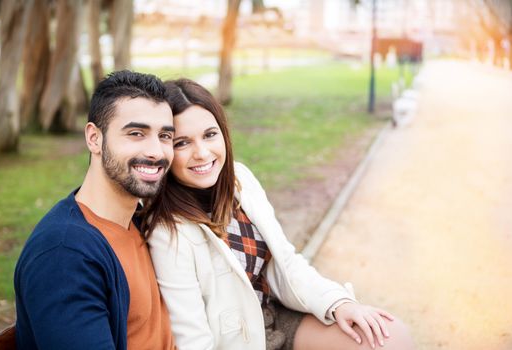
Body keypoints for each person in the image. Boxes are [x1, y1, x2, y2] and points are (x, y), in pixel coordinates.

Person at [144, 78, 415, 350]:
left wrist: (338, 303)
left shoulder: (240, 180)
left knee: (389, 336)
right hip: (238, 342)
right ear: (164, 149)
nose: (202, 153)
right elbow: (192, 338)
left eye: (210, 135)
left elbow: (286, 262)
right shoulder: (168, 233)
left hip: (276, 319)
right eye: (182, 143)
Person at [14, 71, 177, 350]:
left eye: (165, 136)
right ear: (94, 138)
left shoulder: (140, 222)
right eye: (136, 133)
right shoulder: (64, 255)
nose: (156, 151)